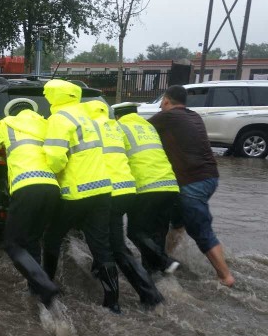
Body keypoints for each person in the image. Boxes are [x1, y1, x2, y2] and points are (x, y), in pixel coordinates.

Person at [41, 80, 120, 313]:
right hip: (102, 189)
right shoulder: (87, 117)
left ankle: (47, 285)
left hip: (76, 192)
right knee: (101, 247)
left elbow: (55, 158)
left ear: (54, 96)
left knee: (52, 236)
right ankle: (113, 302)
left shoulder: (59, 119)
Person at [149, 85, 235, 287]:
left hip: (192, 182)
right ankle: (166, 258)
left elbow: (138, 127)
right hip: (210, 177)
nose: (161, 106)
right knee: (177, 222)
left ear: (167, 101)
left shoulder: (167, 117)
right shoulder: (194, 116)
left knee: (200, 230)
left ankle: (225, 276)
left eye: (162, 102)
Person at [84, 100, 165, 309]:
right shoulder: (114, 129)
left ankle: (118, 302)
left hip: (107, 192)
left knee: (111, 248)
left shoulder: (90, 130)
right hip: (127, 190)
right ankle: (150, 294)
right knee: (118, 246)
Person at [0, 98, 60, 308]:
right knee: (33, 240)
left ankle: (45, 285)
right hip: (52, 188)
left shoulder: (6, 124)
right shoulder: (46, 124)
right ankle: (36, 291)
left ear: (11, 113)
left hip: (26, 186)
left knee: (12, 243)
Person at [112, 102, 181, 275]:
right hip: (170, 185)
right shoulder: (148, 127)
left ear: (117, 115)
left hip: (146, 187)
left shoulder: (119, 127)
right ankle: (155, 274)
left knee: (135, 232)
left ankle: (165, 262)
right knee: (157, 233)